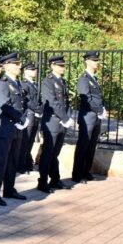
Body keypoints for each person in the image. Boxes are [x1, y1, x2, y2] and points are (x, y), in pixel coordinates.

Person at [0, 52, 29, 206]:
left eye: (19, 64)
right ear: (7, 66)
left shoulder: (17, 83)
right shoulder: (3, 83)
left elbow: (22, 104)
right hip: (6, 127)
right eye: (16, 64)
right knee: (0, 161)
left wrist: (23, 118)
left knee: (13, 160)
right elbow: (4, 104)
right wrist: (21, 118)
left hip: (16, 127)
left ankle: (9, 189)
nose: (19, 66)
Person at [38, 55, 74, 193]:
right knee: (48, 153)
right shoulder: (48, 81)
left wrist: (67, 116)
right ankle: (42, 182)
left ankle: (55, 179)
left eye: (63, 65)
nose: (63, 67)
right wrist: (65, 118)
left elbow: (66, 102)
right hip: (52, 121)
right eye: (60, 65)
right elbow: (52, 102)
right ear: (52, 66)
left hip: (61, 123)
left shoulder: (62, 81)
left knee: (55, 153)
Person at [72, 51, 107, 183]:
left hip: (96, 116)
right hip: (88, 117)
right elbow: (85, 98)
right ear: (87, 61)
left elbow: (98, 97)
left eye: (97, 60)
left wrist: (102, 108)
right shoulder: (84, 79)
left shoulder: (94, 79)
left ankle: (86, 171)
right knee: (83, 145)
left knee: (92, 145)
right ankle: (77, 174)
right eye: (94, 60)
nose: (96, 63)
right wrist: (99, 110)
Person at [19, 62, 42, 173]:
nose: (35, 71)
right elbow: (27, 100)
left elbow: (38, 99)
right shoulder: (24, 84)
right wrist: (38, 110)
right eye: (32, 70)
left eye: (35, 69)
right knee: (25, 140)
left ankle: (27, 162)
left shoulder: (35, 84)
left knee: (31, 140)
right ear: (25, 71)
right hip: (29, 114)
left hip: (36, 114)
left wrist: (40, 109)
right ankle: (21, 164)